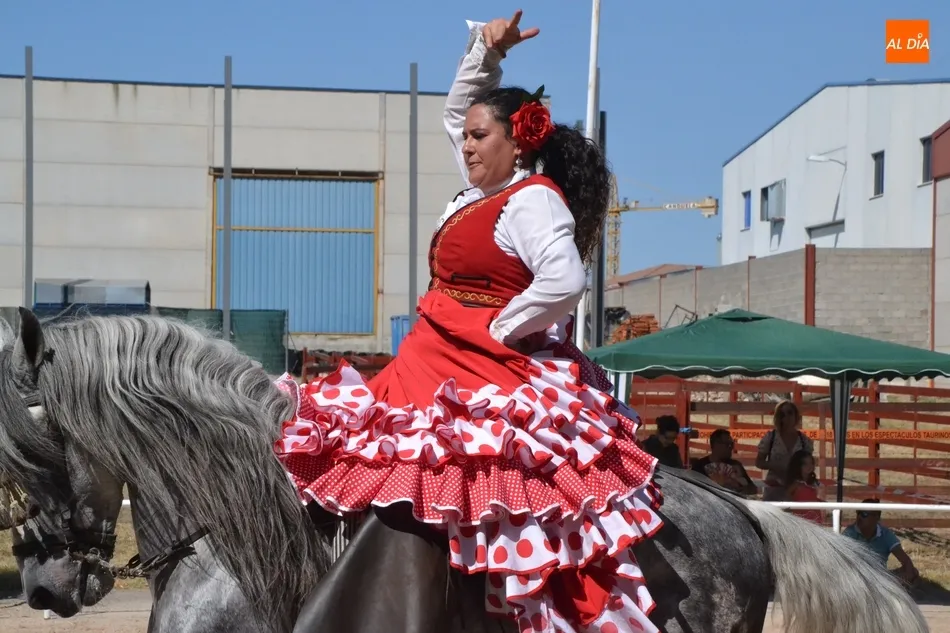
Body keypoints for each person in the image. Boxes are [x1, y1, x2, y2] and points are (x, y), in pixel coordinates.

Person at [274, 12, 663, 633]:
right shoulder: (479, 194)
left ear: (519, 142)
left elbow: (564, 281)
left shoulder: (530, 199)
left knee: (468, 475)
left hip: (479, 365)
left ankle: (483, 609)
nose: (468, 145)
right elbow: (459, 112)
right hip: (430, 356)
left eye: (481, 137)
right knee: (384, 460)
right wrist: (486, 52)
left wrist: (503, 330)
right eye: (467, 140)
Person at [842, 499, 919, 584]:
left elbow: (905, 560)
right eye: (858, 513)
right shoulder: (849, 533)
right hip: (858, 578)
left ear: (877, 517)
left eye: (864, 514)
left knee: (913, 571)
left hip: (880, 577)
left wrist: (909, 574)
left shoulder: (885, 534)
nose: (859, 517)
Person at [755, 400, 813, 501]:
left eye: (790, 413)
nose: (786, 417)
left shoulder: (804, 441)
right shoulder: (771, 437)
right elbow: (758, 462)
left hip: (796, 488)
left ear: (796, 416)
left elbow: (809, 465)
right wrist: (775, 465)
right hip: (774, 487)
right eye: (782, 414)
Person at [690, 429, 756, 495]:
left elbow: (753, 489)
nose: (731, 448)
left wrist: (742, 489)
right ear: (716, 445)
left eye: (732, 444)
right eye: (727, 444)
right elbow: (692, 489)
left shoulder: (736, 465)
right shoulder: (699, 466)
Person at [785, 449, 823, 524]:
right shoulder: (795, 484)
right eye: (805, 464)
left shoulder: (814, 483)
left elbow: (812, 499)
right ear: (798, 465)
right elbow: (787, 500)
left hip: (815, 519)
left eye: (811, 463)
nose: (809, 466)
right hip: (800, 521)